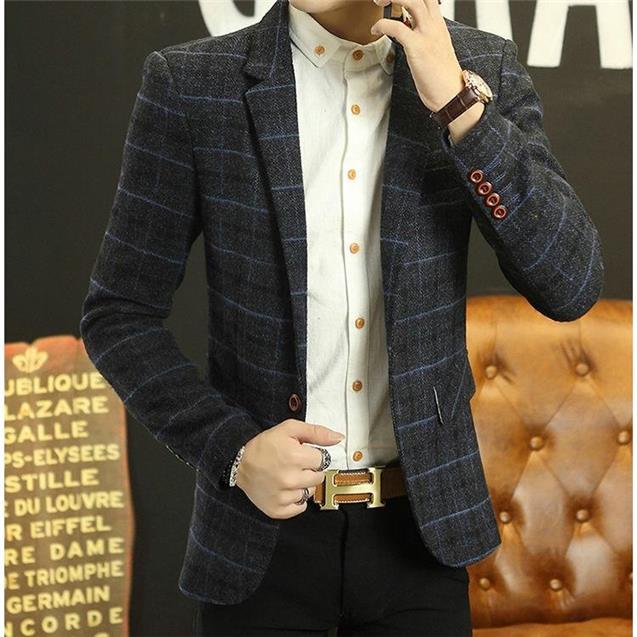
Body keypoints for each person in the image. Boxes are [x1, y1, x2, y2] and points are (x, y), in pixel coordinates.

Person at [79, 0, 604, 635]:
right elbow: (120, 315)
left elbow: (569, 285)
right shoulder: (193, 83)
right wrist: (234, 451)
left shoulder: (478, 68)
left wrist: (457, 105)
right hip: (258, 545)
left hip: (421, 537)